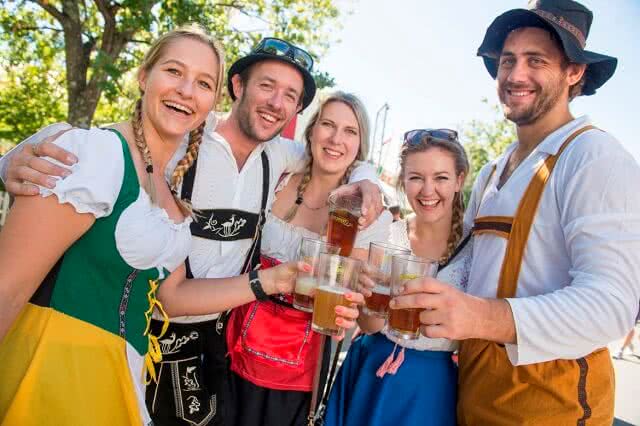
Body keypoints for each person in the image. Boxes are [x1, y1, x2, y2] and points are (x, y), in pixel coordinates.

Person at [0, 36, 383, 426]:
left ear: (297, 110)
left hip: (211, 339)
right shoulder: (184, 136)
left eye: (290, 95)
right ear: (237, 87)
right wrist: (15, 156)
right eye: (266, 85)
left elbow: (333, 152)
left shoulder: (279, 157)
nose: (275, 103)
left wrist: (369, 180)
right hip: (136, 330)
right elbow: (111, 150)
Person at [390, 1, 640, 424]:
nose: (515, 75)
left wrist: (478, 316)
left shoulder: (594, 156)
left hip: (550, 405)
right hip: (473, 392)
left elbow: (612, 305)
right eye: (508, 60)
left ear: (575, 72)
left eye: (536, 60)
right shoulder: (491, 171)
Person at [225, 91, 392, 426]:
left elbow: (359, 308)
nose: (335, 139)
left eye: (350, 131)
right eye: (328, 125)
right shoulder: (279, 173)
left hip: (300, 369)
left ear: (360, 146)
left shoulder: (370, 214)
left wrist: (359, 295)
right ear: (312, 130)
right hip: (232, 345)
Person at [324, 129, 471, 426]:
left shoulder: (478, 245)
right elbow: (369, 324)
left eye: (441, 178)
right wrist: (367, 298)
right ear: (403, 182)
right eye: (416, 177)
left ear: (460, 180)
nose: (427, 190)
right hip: (372, 368)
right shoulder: (387, 234)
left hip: (433, 385)